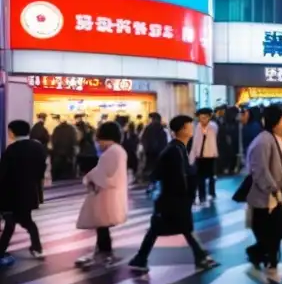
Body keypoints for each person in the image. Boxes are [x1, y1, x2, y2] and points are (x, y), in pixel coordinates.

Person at [128, 115, 218, 273]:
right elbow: (176, 176)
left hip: (171, 199)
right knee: (178, 228)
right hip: (173, 199)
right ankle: (200, 257)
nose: (192, 128)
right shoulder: (174, 150)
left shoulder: (177, 148)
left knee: (168, 229)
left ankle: (141, 258)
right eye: (190, 126)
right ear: (183, 129)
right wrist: (187, 194)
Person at [245, 105, 282, 280]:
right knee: (278, 227)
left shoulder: (276, 139)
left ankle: (270, 261)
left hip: (273, 195)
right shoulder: (264, 141)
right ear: (276, 122)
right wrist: (274, 189)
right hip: (265, 197)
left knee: (274, 229)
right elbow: (260, 170)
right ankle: (257, 253)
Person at [75, 121, 130, 267]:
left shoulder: (111, 153)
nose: (98, 143)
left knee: (102, 223)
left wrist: (89, 178)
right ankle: (102, 251)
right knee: (102, 225)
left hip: (106, 194)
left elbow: (104, 175)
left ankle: (105, 253)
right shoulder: (118, 150)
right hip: (110, 193)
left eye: (99, 139)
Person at [0, 120, 48, 266]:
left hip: (10, 194)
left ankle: (1, 251)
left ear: (13, 132)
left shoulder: (12, 150)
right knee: (27, 221)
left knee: (10, 223)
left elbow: (3, 174)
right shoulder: (38, 147)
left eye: (9, 131)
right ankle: (37, 247)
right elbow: (41, 170)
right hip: (28, 192)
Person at [189, 107, 219, 204]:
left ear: (209, 117)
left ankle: (212, 193)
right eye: (201, 118)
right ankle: (202, 196)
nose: (203, 120)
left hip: (210, 156)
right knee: (200, 177)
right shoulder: (197, 127)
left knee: (211, 176)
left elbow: (214, 132)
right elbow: (195, 143)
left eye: (205, 118)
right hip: (199, 156)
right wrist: (191, 157)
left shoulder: (213, 126)